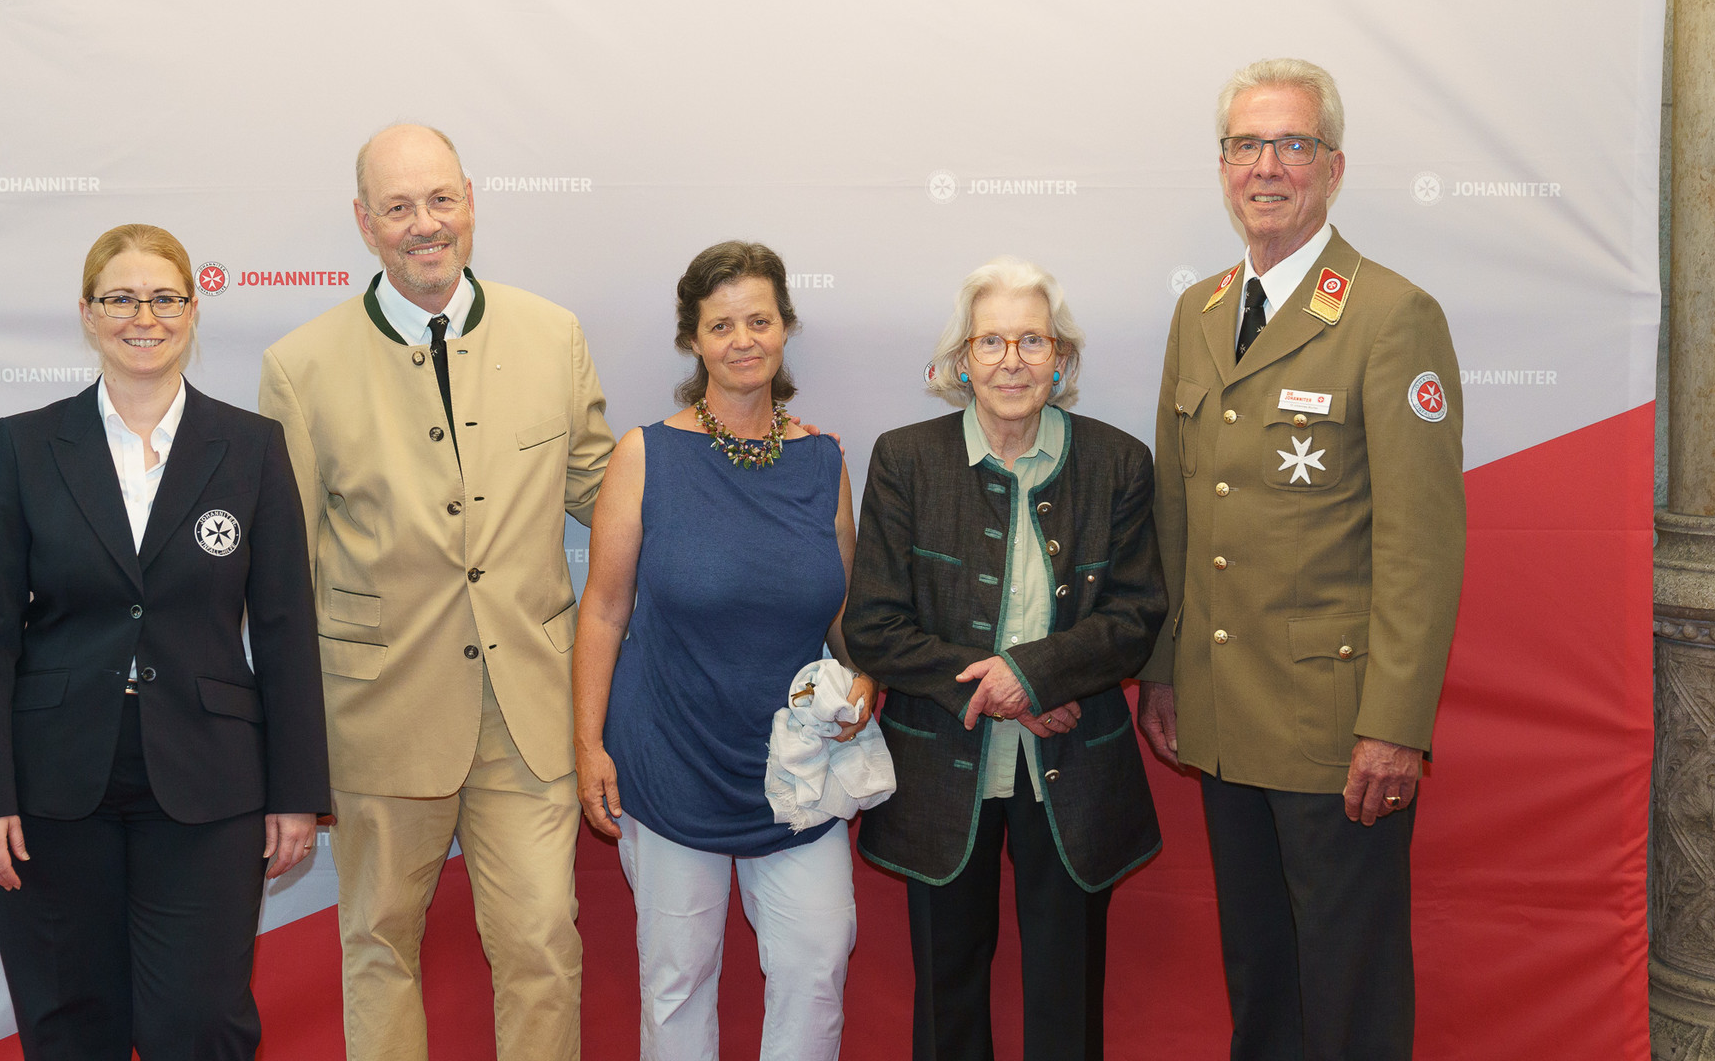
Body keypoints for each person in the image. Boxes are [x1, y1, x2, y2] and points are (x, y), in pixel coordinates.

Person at [258, 123, 615, 1061]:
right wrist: (286, 746)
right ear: (364, 222)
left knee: (542, 941)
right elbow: (280, 576)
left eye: (441, 200)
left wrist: (741, 446)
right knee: (378, 945)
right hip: (378, 714)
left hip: (527, 710)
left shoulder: (553, 334)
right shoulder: (301, 366)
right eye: (399, 207)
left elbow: (607, 493)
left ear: (471, 199)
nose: (425, 225)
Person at [1136, 58, 1466, 1061]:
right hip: (1224, 709)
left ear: (1332, 166)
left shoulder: (1388, 314)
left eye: (1291, 145)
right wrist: (1160, 666)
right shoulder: (1199, 310)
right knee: (1263, 977)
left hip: (1338, 727)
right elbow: (1177, 507)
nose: (1266, 165)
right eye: (1246, 144)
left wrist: (1395, 727)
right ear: (1224, 166)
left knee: (1349, 991)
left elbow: (1421, 542)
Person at [0, 223, 328, 1060]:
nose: (141, 316)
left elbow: (288, 627)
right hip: (52, 780)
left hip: (209, 780)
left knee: (199, 1022)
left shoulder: (251, 447)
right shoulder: (26, 444)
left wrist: (297, 790)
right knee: (71, 1021)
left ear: (192, 310)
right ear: (88, 313)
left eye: (163, 297)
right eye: (120, 298)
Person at [844, 256, 1168, 1061]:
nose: (1012, 360)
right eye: (991, 342)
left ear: (1062, 359)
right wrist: (1012, 690)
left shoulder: (1118, 462)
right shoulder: (905, 460)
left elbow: (1137, 616)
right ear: (960, 363)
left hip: (1073, 767)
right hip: (941, 769)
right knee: (946, 996)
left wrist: (1032, 674)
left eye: (1032, 339)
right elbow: (874, 628)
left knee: (1068, 997)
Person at [573, 240, 874, 1061]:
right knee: (676, 982)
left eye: (760, 320)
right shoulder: (647, 456)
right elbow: (602, 610)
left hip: (795, 774)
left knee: (817, 964)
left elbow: (845, 616)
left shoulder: (823, 462)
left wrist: (869, 681)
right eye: (721, 324)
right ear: (694, 340)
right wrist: (588, 743)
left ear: (784, 329)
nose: (743, 339)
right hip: (671, 760)